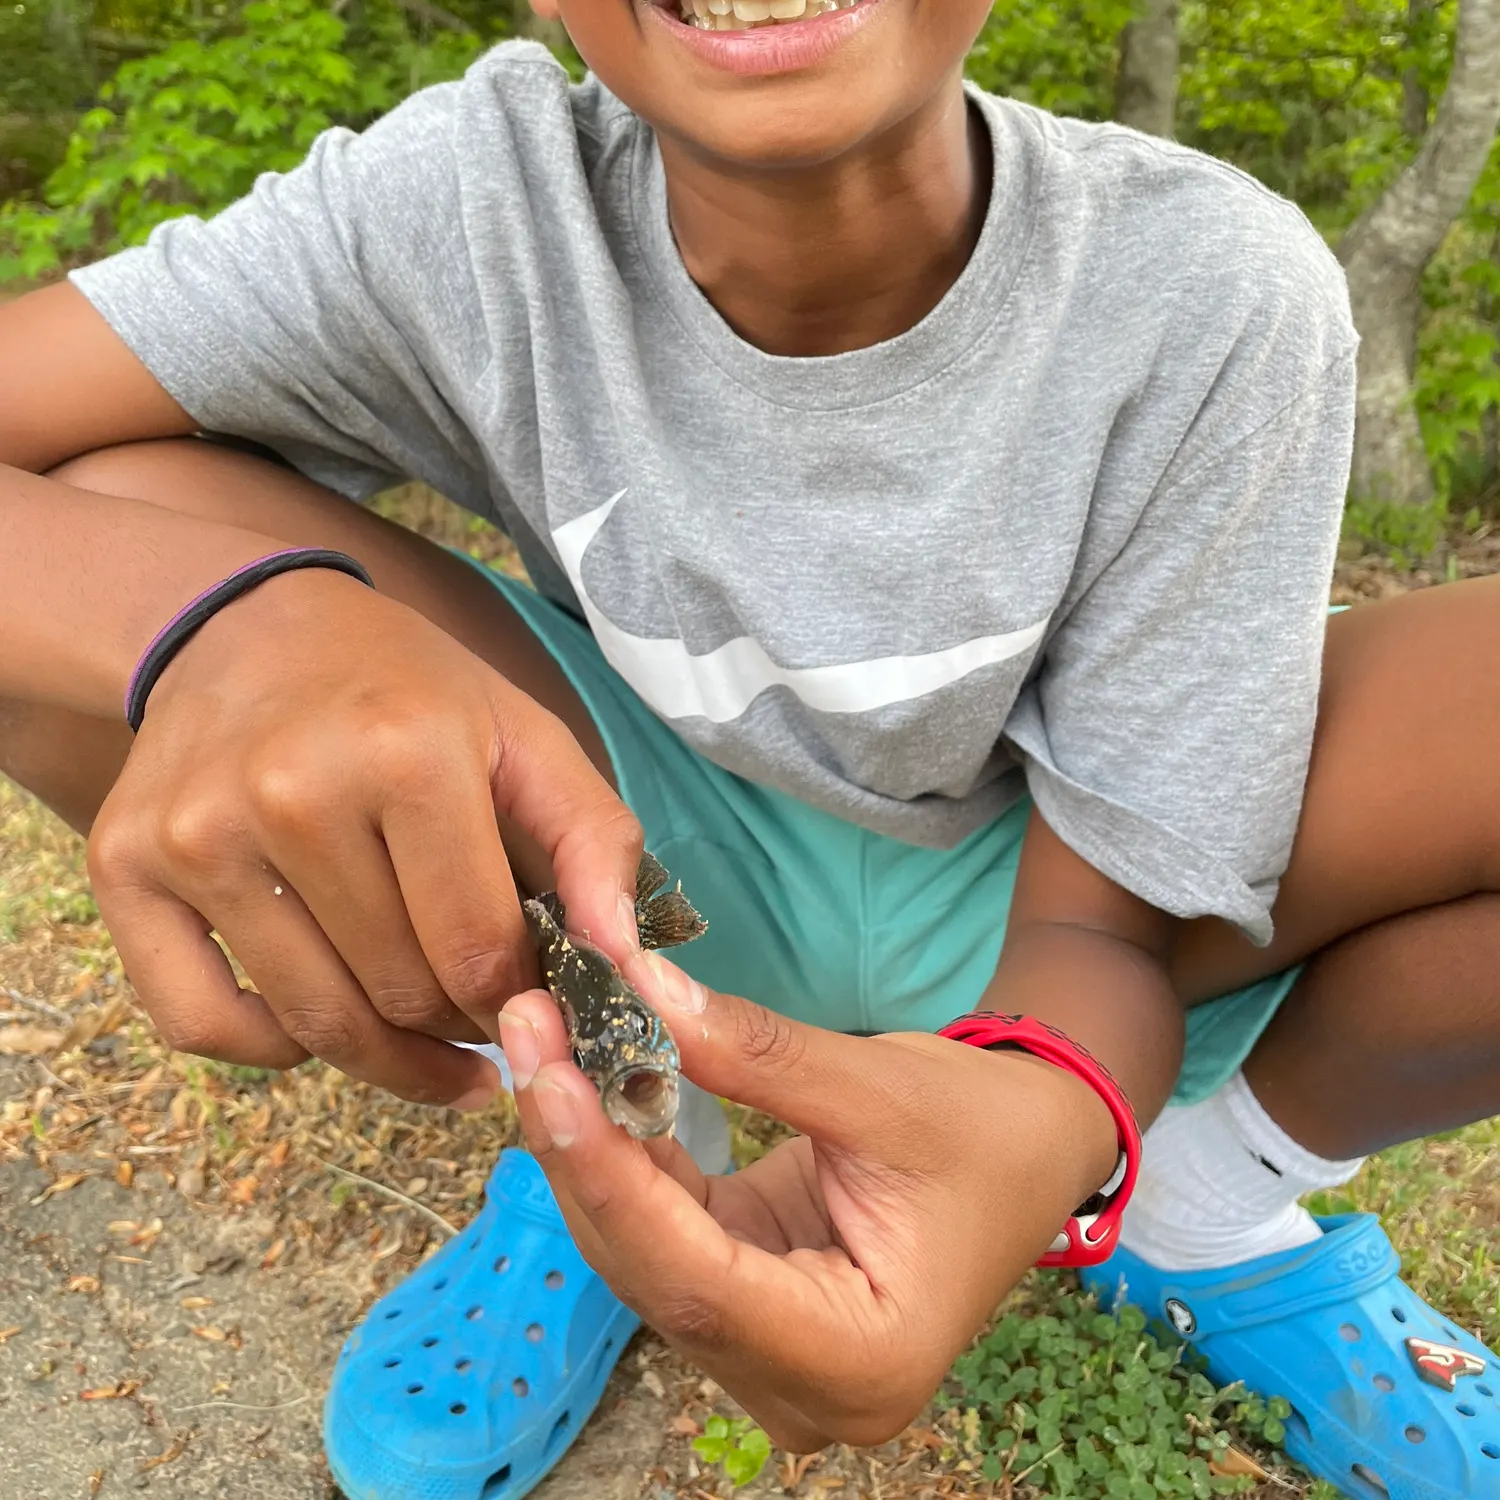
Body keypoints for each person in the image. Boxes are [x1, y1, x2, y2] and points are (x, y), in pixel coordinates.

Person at [2, 2, 1498, 1496]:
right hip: (633, 857)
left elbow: (1099, 930)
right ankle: (608, 1121)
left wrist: (1041, 1112)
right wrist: (230, 620)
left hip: (1056, 879)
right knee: (107, 547)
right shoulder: (476, 203)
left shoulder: (1206, 281)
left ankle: (1203, 1207)